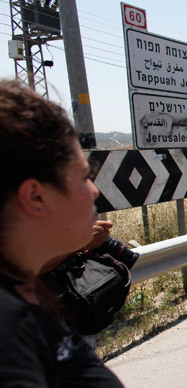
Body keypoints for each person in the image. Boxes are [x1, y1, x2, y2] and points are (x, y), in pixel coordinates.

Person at [0, 80, 123, 386]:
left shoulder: (24, 292)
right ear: (36, 196)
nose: (93, 191)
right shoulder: (10, 337)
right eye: (83, 176)